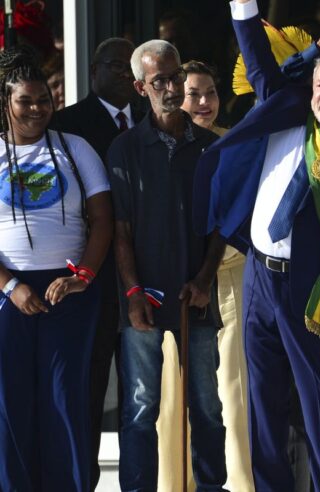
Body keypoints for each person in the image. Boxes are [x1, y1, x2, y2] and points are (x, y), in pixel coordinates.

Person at [193, 1, 320, 490]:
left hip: (313, 285)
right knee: (261, 400)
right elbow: (257, 57)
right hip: (257, 274)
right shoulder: (286, 108)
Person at [108, 39, 227, 490]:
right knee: (140, 410)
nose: (173, 87)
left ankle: (212, 486)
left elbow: (220, 224)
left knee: (208, 408)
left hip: (194, 296)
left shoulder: (209, 148)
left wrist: (204, 278)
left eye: (177, 76)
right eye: (161, 80)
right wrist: (133, 292)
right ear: (141, 87)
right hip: (143, 299)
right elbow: (119, 230)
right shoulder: (125, 148)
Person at [0, 47, 113, 491]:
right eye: (25, 100)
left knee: (64, 398)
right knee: (11, 401)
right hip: (9, 293)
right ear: (6, 103)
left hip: (70, 291)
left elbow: (103, 219)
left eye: (43, 99)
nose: (36, 108)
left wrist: (82, 277)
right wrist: (11, 287)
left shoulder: (74, 148)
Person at [149, 58, 255, 491]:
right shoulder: (159, 148)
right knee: (174, 396)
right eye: (194, 93)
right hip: (177, 284)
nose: (205, 102)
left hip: (230, 278)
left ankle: (241, 483)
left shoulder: (235, 144)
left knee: (233, 393)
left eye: (211, 92)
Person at [52, 37, 142, 491]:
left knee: (142, 400)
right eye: (117, 65)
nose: (128, 74)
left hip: (146, 278)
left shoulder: (151, 120)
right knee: (88, 394)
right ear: (94, 71)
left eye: (134, 67)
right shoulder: (66, 125)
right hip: (90, 280)